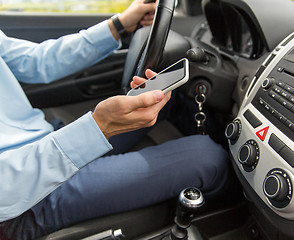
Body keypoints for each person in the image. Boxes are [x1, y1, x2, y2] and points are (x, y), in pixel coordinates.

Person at [0, 1, 229, 239]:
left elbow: (35, 60)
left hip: (43, 141)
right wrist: (99, 128)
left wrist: (119, 24)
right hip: (23, 197)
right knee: (207, 157)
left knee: (164, 100)